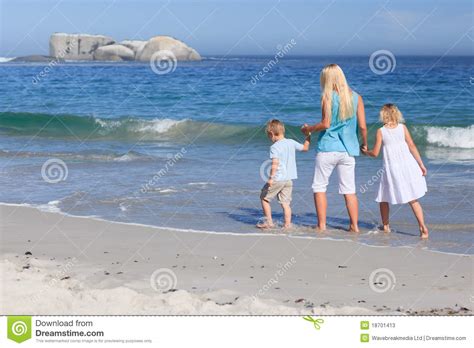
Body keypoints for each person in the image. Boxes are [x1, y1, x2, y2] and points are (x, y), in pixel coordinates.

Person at [301, 64, 367, 232]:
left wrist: (308, 129)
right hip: (348, 150)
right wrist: (364, 143)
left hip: (328, 148)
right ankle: (355, 226)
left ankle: (321, 226)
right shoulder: (357, 97)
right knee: (349, 190)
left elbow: (325, 124)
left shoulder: (327, 97)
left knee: (319, 187)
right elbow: (363, 126)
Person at [362, 104, 429, 238]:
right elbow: (412, 145)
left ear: (383, 115)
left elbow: (375, 153)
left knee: (383, 198)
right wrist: (421, 164)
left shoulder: (381, 131)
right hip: (408, 166)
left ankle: (386, 226)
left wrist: (366, 152)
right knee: (412, 198)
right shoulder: (402, 128)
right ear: (396, 114)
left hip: (392, 168)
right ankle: (423, 227)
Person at [258, 119, 311, 229]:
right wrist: (308, 135)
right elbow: (305, 148)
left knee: (264, 198)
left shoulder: (274, 147)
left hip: (278, 178)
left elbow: (275, 163)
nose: (269, 139)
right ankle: (287, 225)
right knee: (285, 203)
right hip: (289, 180)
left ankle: (269, 222)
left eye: (269, 136)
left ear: (272, 133)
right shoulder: (291, 142)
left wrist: (271, 178)